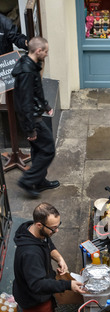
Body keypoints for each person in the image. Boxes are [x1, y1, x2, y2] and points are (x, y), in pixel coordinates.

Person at [11, 36, 59, 198]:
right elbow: (24, 103)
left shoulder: (32, 65)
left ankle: (39, 181)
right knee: (48, 150)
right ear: (38, 51)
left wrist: (45, 105)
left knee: (39, 150)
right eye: (45, 51)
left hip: (35, 114)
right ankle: (28, 180)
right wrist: (30, 130)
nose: (46, 54)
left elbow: (36, 91)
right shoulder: (26, 72)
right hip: (33, 119)